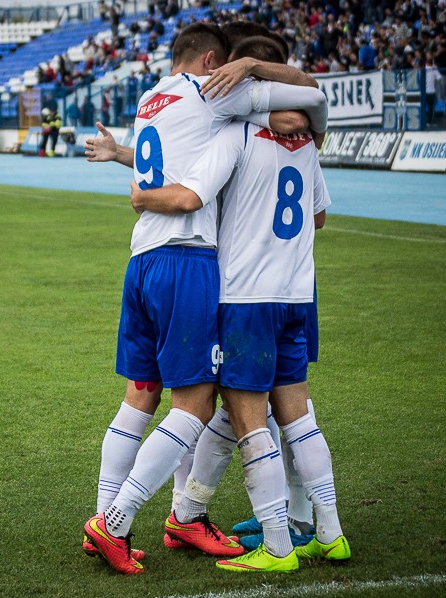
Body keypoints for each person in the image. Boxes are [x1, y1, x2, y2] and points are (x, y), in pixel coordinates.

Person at [80, 23, 328, 576]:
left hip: (140, 261)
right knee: (197, 403)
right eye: (225, 64)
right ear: (214, 60)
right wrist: (254, 71)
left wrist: (122, 156)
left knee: (139, 396)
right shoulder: (216, 93)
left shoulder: (150, 98)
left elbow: (175, 156)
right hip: (189, 261)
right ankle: (116, 522)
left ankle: (121, 517)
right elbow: (308, 97)